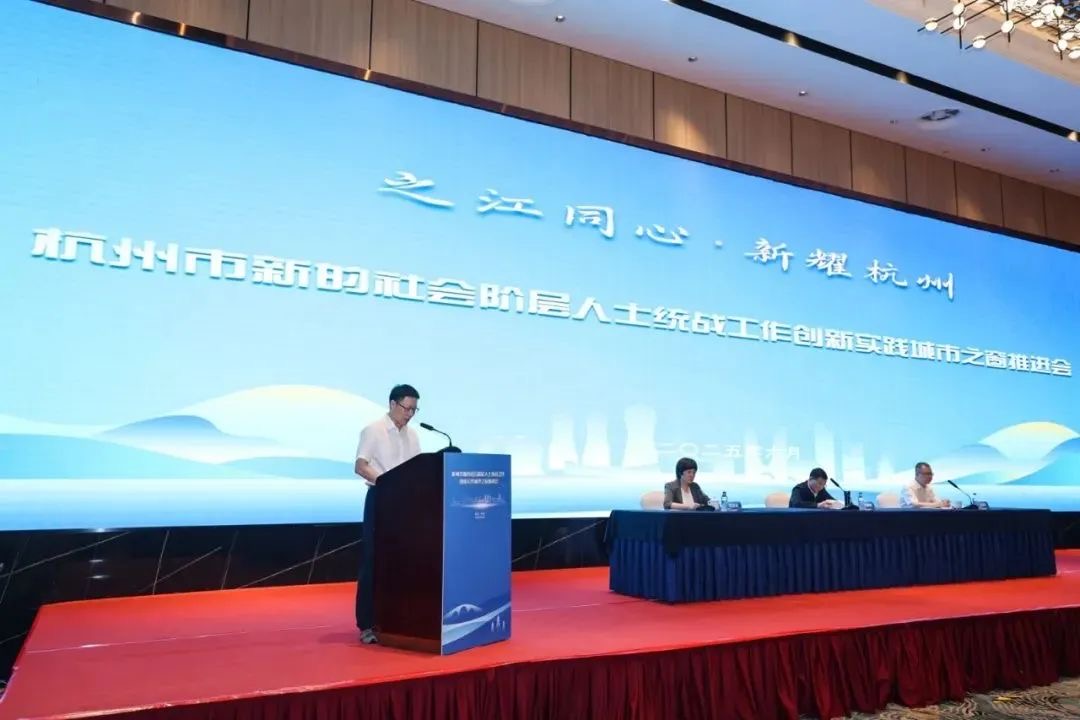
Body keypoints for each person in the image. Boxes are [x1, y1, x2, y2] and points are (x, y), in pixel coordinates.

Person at [354, 384, 422, 644]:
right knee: (373, 561)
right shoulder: (374, 430)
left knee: (402, 561)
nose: (410, 414)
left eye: (414, 410)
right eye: (407, 408)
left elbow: (418, 469)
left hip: (406, 504)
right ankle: (367, 624)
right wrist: (387, 483)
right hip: (381, 500)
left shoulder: (413, 435)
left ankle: (397, 619)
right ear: (393, 404)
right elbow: (360, 465)